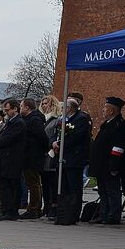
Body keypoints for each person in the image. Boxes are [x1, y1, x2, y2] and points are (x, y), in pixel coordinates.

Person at [89, 96, 125, 225]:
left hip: (110, 164)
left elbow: (118, 147)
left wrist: (114, 165)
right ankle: (103, 213)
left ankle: (113, 215)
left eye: (105, 108)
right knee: (103, 190)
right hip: (101, 164)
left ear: (112, 110)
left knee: (112, 191)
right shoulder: (107, 124)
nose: (103, 110)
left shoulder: (119, 125)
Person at [51, 96, 91, 225]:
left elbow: (76, 137)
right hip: (62, 157)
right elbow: (57, 133)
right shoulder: (63, 119)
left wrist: (60, 144)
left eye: (63, 107)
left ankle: (73, 214)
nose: (62, 109)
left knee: (74, 187)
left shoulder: (81, 119)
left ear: (69, 108)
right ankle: (63, 212)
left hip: (74, 158)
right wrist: (55, 142)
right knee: (63, 186)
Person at [0, 98, 26, 221]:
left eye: (7, 110)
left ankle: (11, 211)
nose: (5, 112)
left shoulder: (18, 123)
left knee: (10, 185)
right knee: (4, 184)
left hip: (12, 158)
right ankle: (6, 209)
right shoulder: (11, 122)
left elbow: (8, 139)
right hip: (5, 158)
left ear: (15, 109)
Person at [19, 98, 48, 219]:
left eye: (21, 106)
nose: (20, 108)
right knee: (32, 183)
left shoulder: (34, 120)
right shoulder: (28, 119)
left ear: (27, 107)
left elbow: (42, 137)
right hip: (28, 155)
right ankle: (35, 207)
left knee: (33, 183)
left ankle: (34, 208)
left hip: (33, 156)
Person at [40, 96, 62, 217]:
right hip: (42, 153)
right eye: (42, 103)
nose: (44, 106)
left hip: (51, 152)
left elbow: (54, 135)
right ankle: (46, 205)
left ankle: (53, 205)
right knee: (44, 181)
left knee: (52, 180)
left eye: (46, 103)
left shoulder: (56, 119)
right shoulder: (42, 119)